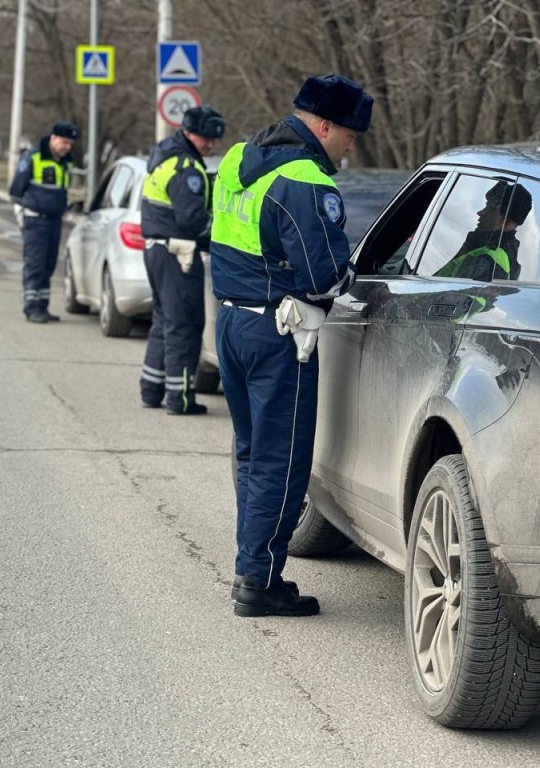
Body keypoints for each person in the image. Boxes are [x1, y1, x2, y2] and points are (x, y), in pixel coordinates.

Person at [210, 74, 373, 617]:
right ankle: (258, 580)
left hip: (231, 322)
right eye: (348, 135)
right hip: (280, 333)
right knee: (281, 462)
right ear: (324, 125)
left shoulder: (236, 158)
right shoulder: (305, 180)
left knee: (253, 454)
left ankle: (251, 564)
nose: (350, 147)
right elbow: (324, 277)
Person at [139, 105, 225, 414]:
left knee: (164, 321)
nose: (210, 144)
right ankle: (181, 398)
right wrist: (219, 235)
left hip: (158, 249)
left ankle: (152, 389)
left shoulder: (165, 158)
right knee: (185, 325)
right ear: (190, 133)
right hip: (179, 254)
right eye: (206, 138)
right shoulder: (186, 167)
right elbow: (191, 220)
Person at [9, 121, 79, 324]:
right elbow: (16, 189)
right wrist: (22, 212)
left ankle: (43, 306)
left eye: (70, 144)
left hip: (55, 221)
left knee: (48, 266)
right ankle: (31, 308)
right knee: (35, 265)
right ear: (54, 138)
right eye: (65, 142)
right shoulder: (34, 157)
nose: (67, 147)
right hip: (35, 220)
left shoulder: (66, 162)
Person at [436, 181, 533, 282]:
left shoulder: (490, 260)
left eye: (489, 208)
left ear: (504, 221)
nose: (480, 212)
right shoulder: (495, 254)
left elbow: (464, 297)